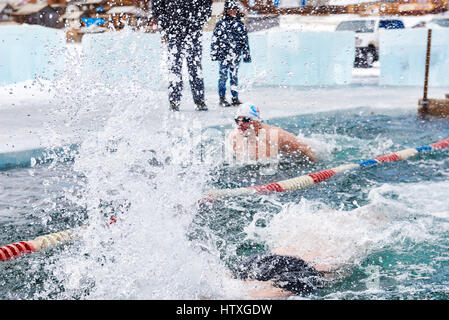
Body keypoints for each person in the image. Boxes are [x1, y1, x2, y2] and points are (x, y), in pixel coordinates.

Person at [152, 0, 212, 112]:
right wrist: (167, 25)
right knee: (174, 69)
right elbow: (157, 7)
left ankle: (199, 100)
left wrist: (198, 21)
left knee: (195, 68)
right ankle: (174, 101)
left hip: (193, 33)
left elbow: (207, 5)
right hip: (174, 33)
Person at [226, 103, 317, 163]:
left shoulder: (276, 135)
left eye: (246, 120)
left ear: (257, 121)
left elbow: (307, 150)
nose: (240, 124)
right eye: (237, 120)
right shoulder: (234, 137)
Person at [211, 0, 251, 108]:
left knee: (234, 77)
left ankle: (234, 98)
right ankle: (222, 98)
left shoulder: (240, 25)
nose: (232, 11)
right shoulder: (220, 24)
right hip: (223, 55)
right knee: (223, 77)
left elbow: (244, 41)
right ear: (226, 10)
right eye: (230, 9)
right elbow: (215, 40)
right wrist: (214, 53)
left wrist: (246, 54)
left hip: (235, 55)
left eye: (234, 9)